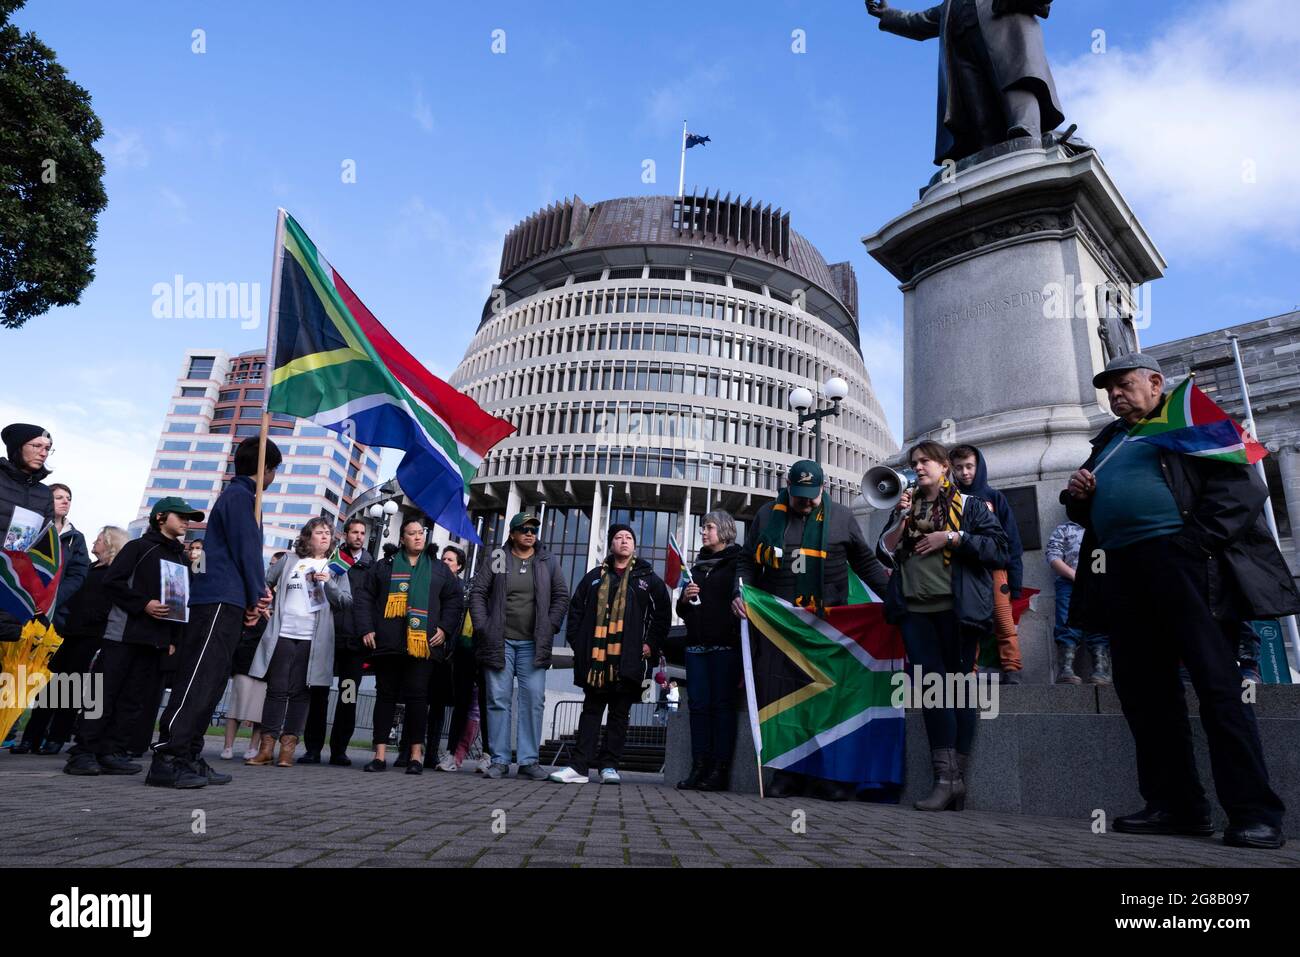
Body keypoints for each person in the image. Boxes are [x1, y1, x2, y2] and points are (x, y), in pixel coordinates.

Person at [1064, 353, 1300, 849]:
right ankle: (1177, 806)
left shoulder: (1193, 421)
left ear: (1155, 383)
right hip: (1123, 571)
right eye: (1109, 390)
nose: (1116, 396)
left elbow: (1243, 491)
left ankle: (1255, 813)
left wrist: (1190, 548)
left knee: (1219, 688)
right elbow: (1089, 511)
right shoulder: (1109, 440)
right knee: (1145, 693)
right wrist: (1078, 495)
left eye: (1124, 385)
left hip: (1187, 566)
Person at [732, 459, 893, 801]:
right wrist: (740, 591)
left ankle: (829, 776)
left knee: (827, 701)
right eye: (799, 495)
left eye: (812, 495)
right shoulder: (765, 516)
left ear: (824, 489)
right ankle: (787, 774)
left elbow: (864, 562)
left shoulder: (843, 518)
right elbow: (746, 560)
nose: (805, 502)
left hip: (827, 625)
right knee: (784, 699)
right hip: (780, 625)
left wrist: (895, 598)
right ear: (787, 486)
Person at [878, 442, 1008, 811]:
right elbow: (884, 550)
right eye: (914, 462)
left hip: (958, 611)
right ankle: (945, 780)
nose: (918, 468)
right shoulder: (906, 506)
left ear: (944, 466)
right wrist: (901, 522)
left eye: (925, 461)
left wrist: (951, 537)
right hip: (915, 613)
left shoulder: (970, 506)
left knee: (961, 689)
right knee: (935, 691)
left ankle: (955, 781)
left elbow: (998, 548)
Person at [147, 437, 279, 789]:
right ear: (265, 468)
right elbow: (247, 550)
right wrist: (258, 595)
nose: (273, 478)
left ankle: (188, 754)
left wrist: (250, 598)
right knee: (198, 679)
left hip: (230, 600)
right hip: (218, 599)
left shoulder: (246, 498)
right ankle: (168, 756)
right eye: (273, 471)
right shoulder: (239, 497)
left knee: (213, 681)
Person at [64, 499, 202, 776]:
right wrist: (143, 604)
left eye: (190, 518)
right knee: (103, 694)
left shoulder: (181, 559)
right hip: (123, 634)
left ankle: (112, 751)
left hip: (156, 640)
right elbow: (112, 582)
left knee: (133, 698)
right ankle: (83, 751)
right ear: (160, 517)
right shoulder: (138, 547)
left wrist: (173, 638)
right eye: (182, 516)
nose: (188, 521)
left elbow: (181, 601)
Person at [551, 523, 669, 785]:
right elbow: (576, 611)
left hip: (628, 661)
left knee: (619, 714)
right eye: (618, 537)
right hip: (596, 662)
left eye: (628, 537)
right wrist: (578, 644)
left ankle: (609, 766)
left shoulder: (647, 579)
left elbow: (661, 615)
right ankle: (579, 768)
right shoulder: (594, 577)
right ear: (611, 544)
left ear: (634, 545)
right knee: (591, 711)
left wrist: (650, 644)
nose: (624, 541)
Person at [354, 517, 462, 774]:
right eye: (411, 533)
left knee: (417, 698)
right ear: (402, 538)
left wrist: (445, 629)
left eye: (421, 533)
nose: (417, 537)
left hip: (423, 644)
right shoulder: (384, 566)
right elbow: (364, 597)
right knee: (385, 696)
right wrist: (367, 628)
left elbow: (454, 601)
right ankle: (379, 755)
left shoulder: (438, 569)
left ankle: (415, 755)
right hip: (388, 642)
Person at [469, 512, 569, 780]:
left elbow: (561, 596)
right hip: (499, 642)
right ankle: (500, 759)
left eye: (533, 529)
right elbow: (478, 592)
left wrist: (550, 625)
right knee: (498, 700)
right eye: (523, 529)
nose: (529, 533)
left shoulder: (546, 560)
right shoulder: (499, 557)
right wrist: (483, 626)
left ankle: (528, 760)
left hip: (533, 645)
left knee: (533, 700)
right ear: (512, 534)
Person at [246, 518, 351, 767]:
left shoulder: (336, 567)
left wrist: (328, 583)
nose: (325, 536)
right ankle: (266, 747)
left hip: (313, 640)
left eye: (328, 533)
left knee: (300, 692)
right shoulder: (289, 560)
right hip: (283, 634)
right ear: (307, 537)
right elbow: (264, 584)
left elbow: (346, 602)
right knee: (276, 689)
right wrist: (265, 605)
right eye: (319, 532)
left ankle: (287, 750)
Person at [13, 526, 126, 755]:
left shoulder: (115, 573)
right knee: (50, 685)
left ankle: (56, 737)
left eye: (99, 539)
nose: (94, 543)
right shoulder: (87, 568)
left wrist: (94, 619)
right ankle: (30, 738)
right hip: (66, 631)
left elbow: (111, 605)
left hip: (90, 636)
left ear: (110, 543)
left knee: (71, 686)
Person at [675, 511, 742, 792]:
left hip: (725, 647)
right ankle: (698, 767)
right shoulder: (697, 566)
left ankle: (719, 770)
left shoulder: (738, 562)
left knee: (722, 708)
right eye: (703, 527)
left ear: (725, 530)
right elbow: (682, 611)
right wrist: (684, 598)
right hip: (696, 648)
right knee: (698, 708)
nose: (704, 532)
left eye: (709, 527)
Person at [948, 445, 1024, 683]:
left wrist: (1016, 580)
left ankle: (1011, 667)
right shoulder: (950, 499)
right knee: (968, 622)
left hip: (995, 570)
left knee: (1003, 620)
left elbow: (1011, 540)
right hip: (966, 572)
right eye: (958, 468)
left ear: (978, 466)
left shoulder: (995, 497)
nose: (965, 472)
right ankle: (969, 669)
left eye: (969, 466)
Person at [301, 518, 373, 766]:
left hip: (355, 643)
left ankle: (339, 750)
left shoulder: (370, 565)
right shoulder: (332, 561)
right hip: (327, 636)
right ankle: (312, 748)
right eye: (354, 532)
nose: (359, 536)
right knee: (318, 694)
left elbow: (370, 603)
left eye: (362, 533)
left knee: (348, 696)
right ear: (345, 534)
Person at [0, 423, 55, 646]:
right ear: (17, 447)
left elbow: (46, 544)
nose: (43, 452)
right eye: (37, 446)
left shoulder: (44, 493)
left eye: (48, 448)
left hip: (14, 587)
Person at [1043, 519, 1109, 684]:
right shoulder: (1065, 528)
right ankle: (1066, 667)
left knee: (1099, 623)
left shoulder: (1102, 526)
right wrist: (1075, 576)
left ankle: (1101, 667)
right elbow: (1053, 555)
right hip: (1069, 582)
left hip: (1098, 582)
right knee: (1067, 621)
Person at [434, 545, 479, 772]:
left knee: (480, 707)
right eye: (443, 558)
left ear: (460, 565)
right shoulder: (462, 588)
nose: (444, 562)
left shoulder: (469, 588)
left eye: (449, 559)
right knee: (454, 705)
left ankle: (481, 755)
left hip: (479, 653)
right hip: (455, 651)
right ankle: (449, 753)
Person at [221, 616, 268, 760]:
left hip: (267, 662)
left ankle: (253, 747)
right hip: (244, 658)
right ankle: (228, 747)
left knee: (259, 709)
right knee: (236, 704)